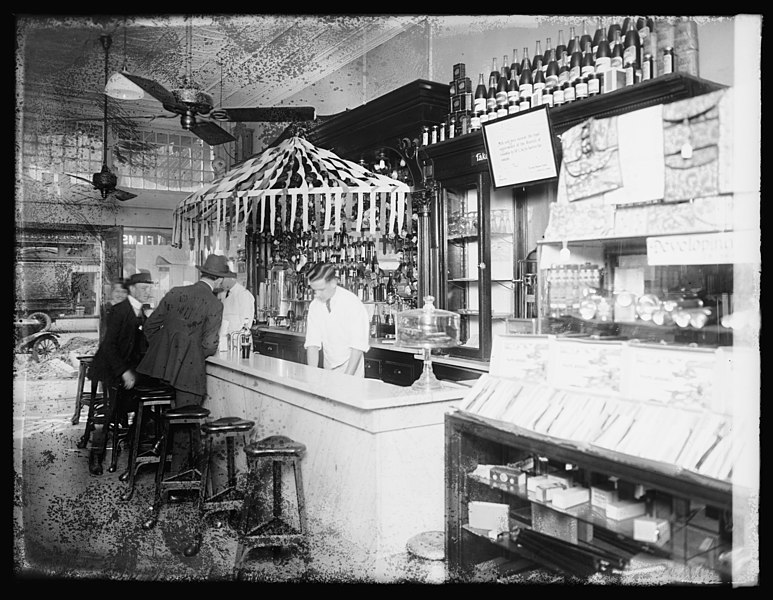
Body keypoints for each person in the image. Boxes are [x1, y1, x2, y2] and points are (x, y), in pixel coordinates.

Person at [136, 253, 230, 408]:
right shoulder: (215, 304)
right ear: (219, 279)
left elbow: (149, 326)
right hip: (188, 375)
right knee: (185, 423)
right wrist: (189, 353)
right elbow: (209, 345)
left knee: (164, 417)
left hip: (158, 370)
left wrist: (166, 348)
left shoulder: (175, 292)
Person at [88, 272, 155, 476]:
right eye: (144, 287)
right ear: (132, 289)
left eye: (150, 287)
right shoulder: (119, 311)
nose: (148, 291)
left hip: (128, 369)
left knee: (145, 403)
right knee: (111, 412)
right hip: (111, 369)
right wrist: (124, 372)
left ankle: (133, 442)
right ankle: (95, 456)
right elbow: (109, 347)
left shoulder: (140, 312)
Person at [303, 262, 370, 377]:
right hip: (328, 368)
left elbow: (358, 347)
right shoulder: (315, 306)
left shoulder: (352, 303)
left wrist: (346, 378)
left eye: (321, 289)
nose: (317, 294)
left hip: (351, 369)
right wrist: (312, 376)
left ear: (333, 283)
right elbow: (312, 344)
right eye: (315, 290)